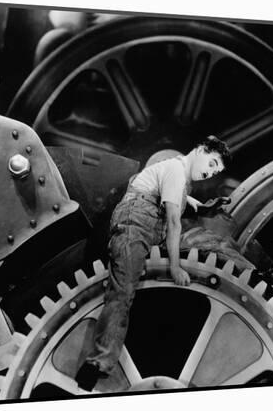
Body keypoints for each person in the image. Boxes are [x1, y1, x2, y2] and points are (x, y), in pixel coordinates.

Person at [75, 136, 232, 391]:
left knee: (207, 245)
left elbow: (189, 207)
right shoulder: (175, 171)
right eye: (212, 163)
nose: (210, 172)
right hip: (135, 228)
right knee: (122, 292)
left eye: (216, 171)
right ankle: (96, 365)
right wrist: (175, 266)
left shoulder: (180, 182)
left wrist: (209, 209)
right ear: (200, 150)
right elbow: (173, 222)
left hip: (148, 230)